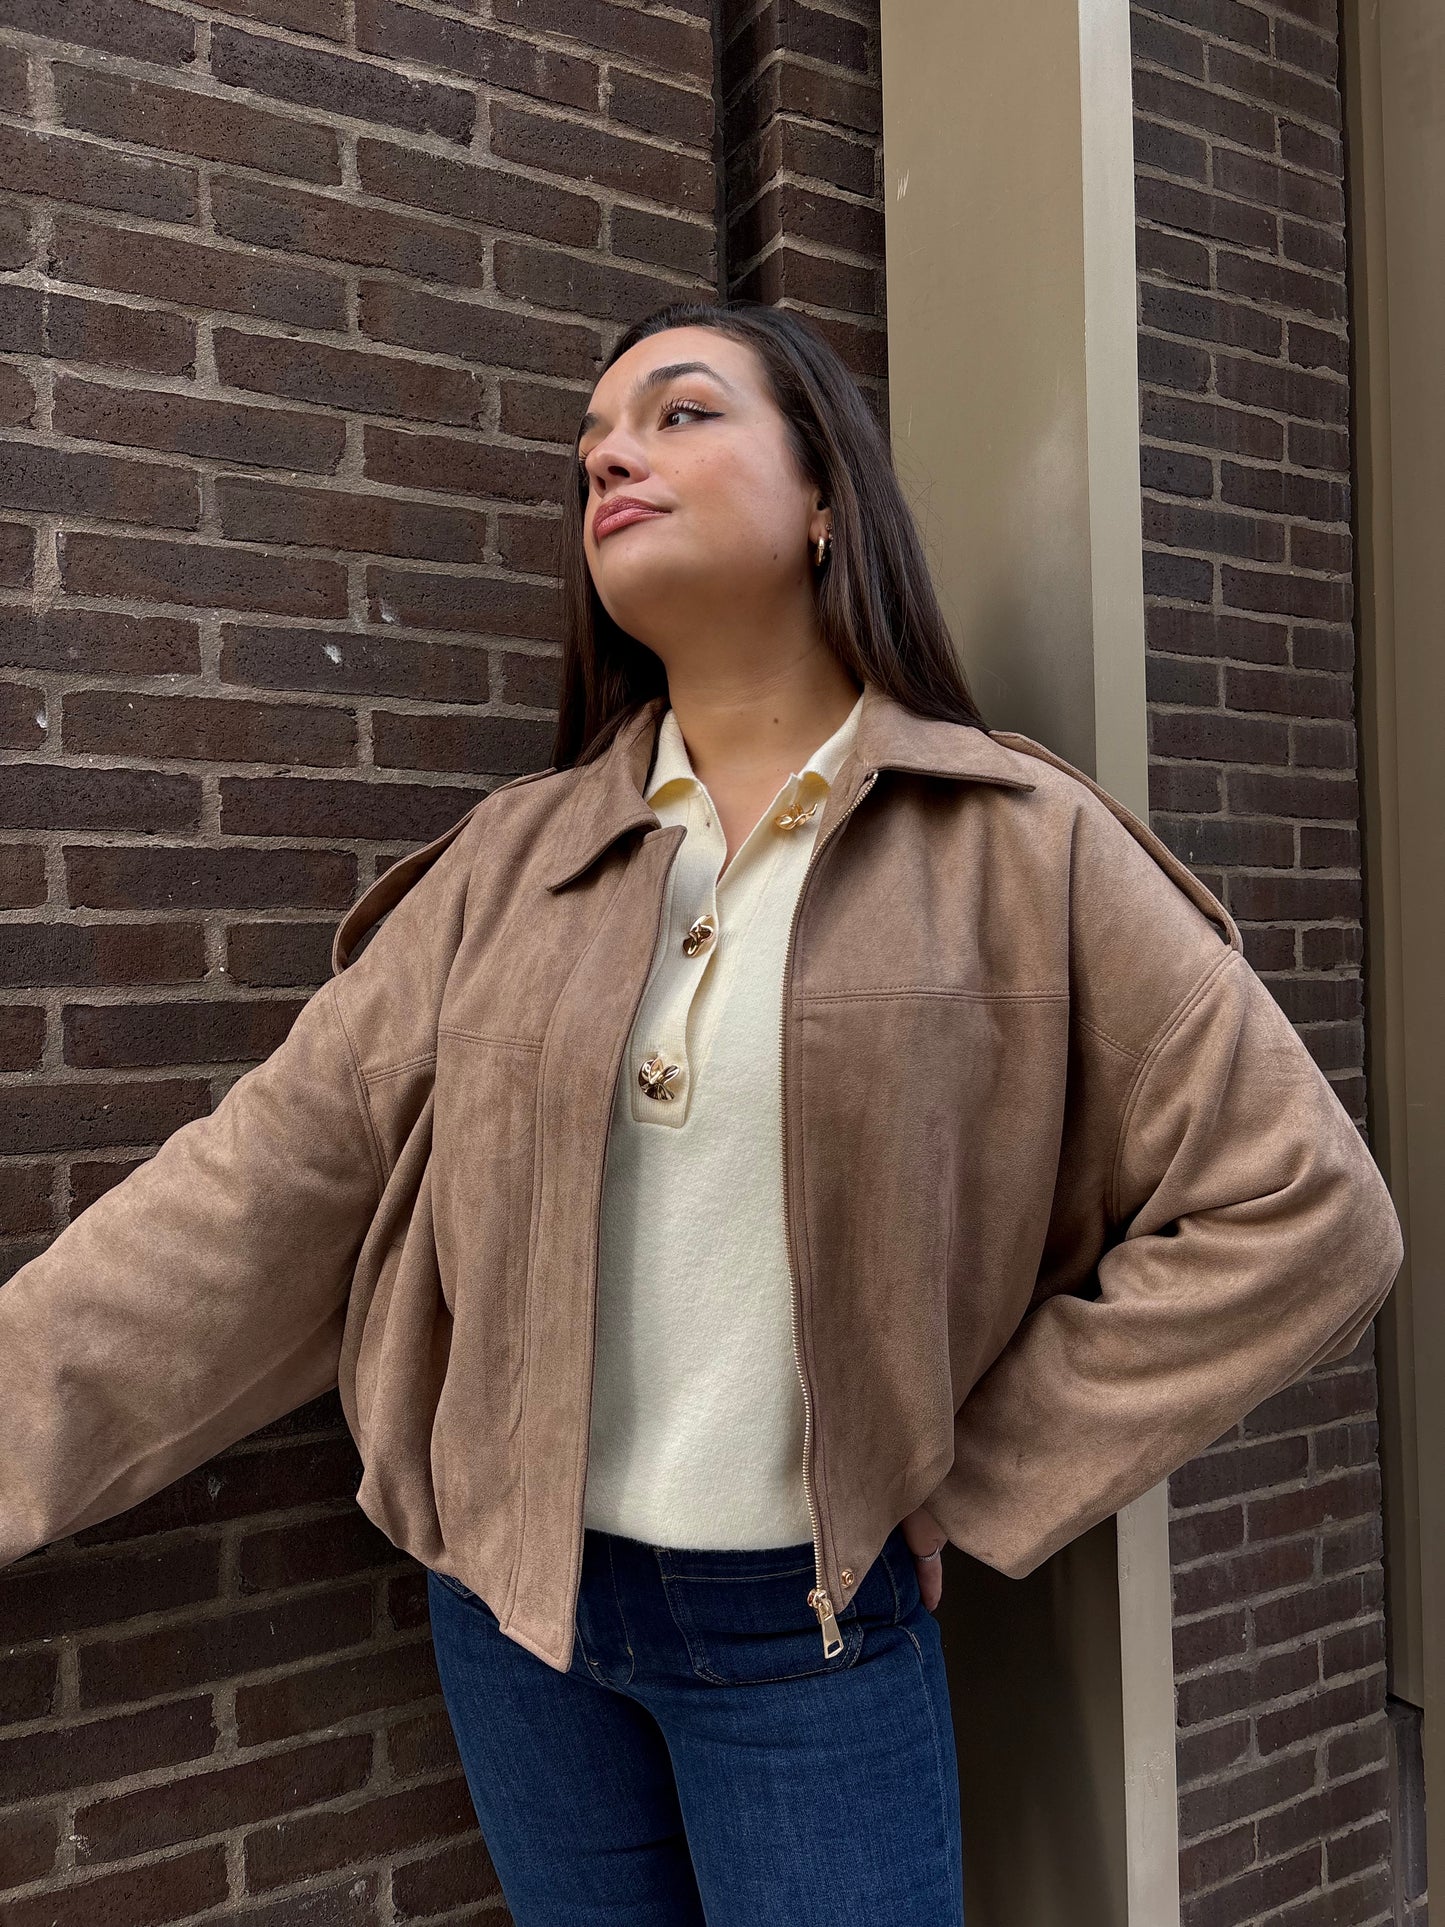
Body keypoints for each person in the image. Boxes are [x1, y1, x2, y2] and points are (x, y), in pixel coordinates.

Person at [0, 299, 1404, 1926]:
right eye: (593, 442)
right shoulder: (511, 863)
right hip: (511, 1617)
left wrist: (968, 1470)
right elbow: (246, 1200)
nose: (611, 455)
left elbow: (1301, 1211)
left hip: (805, 1637)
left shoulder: (1021, 845)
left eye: (678, 413)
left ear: (824, 501)